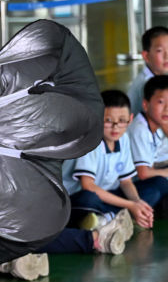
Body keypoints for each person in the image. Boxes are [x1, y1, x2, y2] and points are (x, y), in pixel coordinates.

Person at [64, 89, 156, 229]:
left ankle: (107, 218)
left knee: (157, 186)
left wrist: (137, 202)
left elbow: (126, 181)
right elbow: (88, 186)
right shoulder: (90, 140)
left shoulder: (123, 138)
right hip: (75, 198)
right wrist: (130, 205)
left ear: (130, 119)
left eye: (121, 121)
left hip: (106, 195)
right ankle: (116, 216)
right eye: (108, 120)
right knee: (89, 199)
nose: (115, 127)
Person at [127, 75, 168, 217]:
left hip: (143, 181)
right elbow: (143, 173)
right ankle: (127, 215)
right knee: (161, 184)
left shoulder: (157, 126)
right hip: (129, 188)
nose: (167, 108)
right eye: (161, 102)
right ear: (146, 104)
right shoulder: (140, 129)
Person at [127, 26, 168, 115]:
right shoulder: (146, 84)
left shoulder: (159, 77)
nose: (166, 56)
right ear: (146, 56)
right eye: (159, 51)